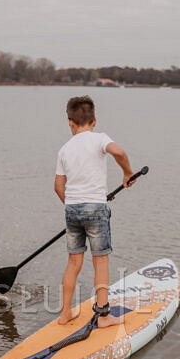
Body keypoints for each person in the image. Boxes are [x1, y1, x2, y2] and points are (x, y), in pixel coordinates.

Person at [54, 95, 135, 327]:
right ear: (94, 121)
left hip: (72, 208)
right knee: (100, 262)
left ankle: (64, 314)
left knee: (73, 262)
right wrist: (127, 173)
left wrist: (74, 207)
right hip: (96, 209)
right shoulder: (100, 138)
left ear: (70, 122)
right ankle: (104, 316)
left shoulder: (64, 149)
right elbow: (119, 152)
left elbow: (58, 187)